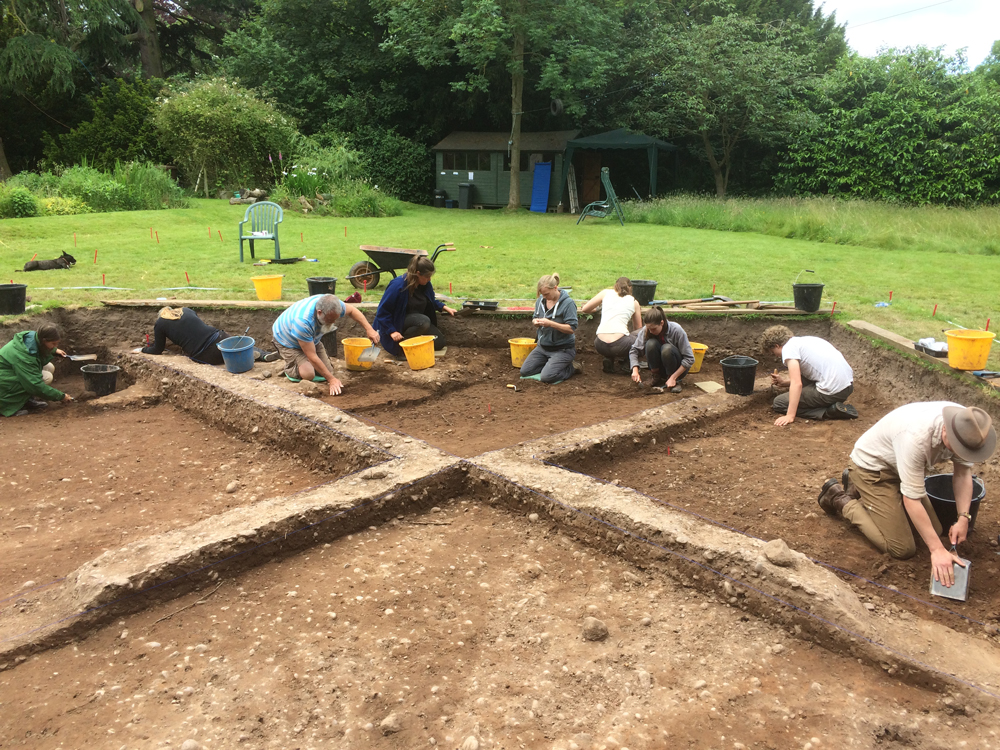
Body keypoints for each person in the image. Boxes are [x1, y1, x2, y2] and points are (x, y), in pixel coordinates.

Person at [817, 402, 996, 587]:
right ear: (945, 430)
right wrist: (936, 550)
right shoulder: (917, 438)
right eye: (957, 447)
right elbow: (911, 499)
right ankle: (840, 498)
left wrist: (963, 517)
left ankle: (865, 493)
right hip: (872, 470)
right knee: (902, 548)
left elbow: (962, 473)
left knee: (936, 530)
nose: (961, 453)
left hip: (902, 470)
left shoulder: (968, 426)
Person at [272, 294, 380, 396]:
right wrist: (332, 380)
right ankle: (289, 367)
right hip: (287, 341)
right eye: (329, 320)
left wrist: (369, 329)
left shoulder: (333, 305)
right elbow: (312, 356)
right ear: (319, 312)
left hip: (311, 339)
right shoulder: (302, 322)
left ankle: (301, 362)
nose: (332, 322)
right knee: (308, 374)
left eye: (335, 319)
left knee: (329, 371)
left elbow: (352, 310)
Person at [760, 325, 856, 425]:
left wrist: (790, 415)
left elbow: (797, 384)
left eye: (773, 352)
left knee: (779, 403)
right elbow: (809, 374)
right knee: (804, 377)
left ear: (776, 346)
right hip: (847, 386)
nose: (775, 356)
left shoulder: (788, 349)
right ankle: (829, 405)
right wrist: (785, 383)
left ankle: (829, 412)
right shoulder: (806, 341)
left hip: (833, 392)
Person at [374, 255, 457, 360]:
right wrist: (392, 331)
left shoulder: (425, 284)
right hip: (397, 323)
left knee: (439, 343)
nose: (429, 279)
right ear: (418, 274)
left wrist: (444, 307)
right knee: (424, 321)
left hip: (415, 321)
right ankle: (402, 349)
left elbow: (431, 300)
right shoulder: (397, 286)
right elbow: (382, 311)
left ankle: (414, 342)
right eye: (427, 276)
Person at [140, 307, 279, 365]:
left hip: (202, 354)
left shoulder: (160, 324)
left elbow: (157, 349)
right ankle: (263, 355)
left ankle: (241, 357)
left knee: (224, 359)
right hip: (219, 337)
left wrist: (142, 350)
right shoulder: (186, 310)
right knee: (236, 343)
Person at [0, 323, 73, 416]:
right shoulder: (24, 355)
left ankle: (26, 399)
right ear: (44, 340)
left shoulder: (33, 337)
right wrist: (61, 396)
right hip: (3, 384)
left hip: (11, 371)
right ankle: (10, 406)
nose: (56, 346)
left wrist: (54, 350)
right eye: (53, 344)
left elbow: (38, 347)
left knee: (49, 367)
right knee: (46, 378)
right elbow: (35, 385)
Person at [520, 273, 579, 383]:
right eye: (542, 295)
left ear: (555, 288)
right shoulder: (541, 301)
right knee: (525, 371)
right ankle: (550, 365)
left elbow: (571, 328)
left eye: (547, 294)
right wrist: (535, 322)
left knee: (547, 377)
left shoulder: (568, 304)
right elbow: (535, 317)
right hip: (542, 347)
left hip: (563, 349)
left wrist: (551, 324)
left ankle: (572, 367)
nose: (545, 297)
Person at [580, 277, 642, 375]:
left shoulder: (605, 293)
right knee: (643, 334)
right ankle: (628, 362)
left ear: (615, 286)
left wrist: (596, 309)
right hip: (620, 346)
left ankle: (608, 358)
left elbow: (585, 309)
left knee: (614, 340)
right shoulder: (634, 302)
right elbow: (638, 328)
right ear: (630, 288)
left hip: (600, 344)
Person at [629, 306, 693, 392]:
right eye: (649, 328)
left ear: (662, 323)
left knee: (666, 348)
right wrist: (635, 370)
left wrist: (674, 377)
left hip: (677, 369)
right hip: (660, 368)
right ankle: (656, 376)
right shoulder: (647, 330)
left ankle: (673, 379)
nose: (650, 331)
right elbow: (634, 350)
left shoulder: (676, 330)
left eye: (653, 329)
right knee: (651, 343)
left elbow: (690, 359)